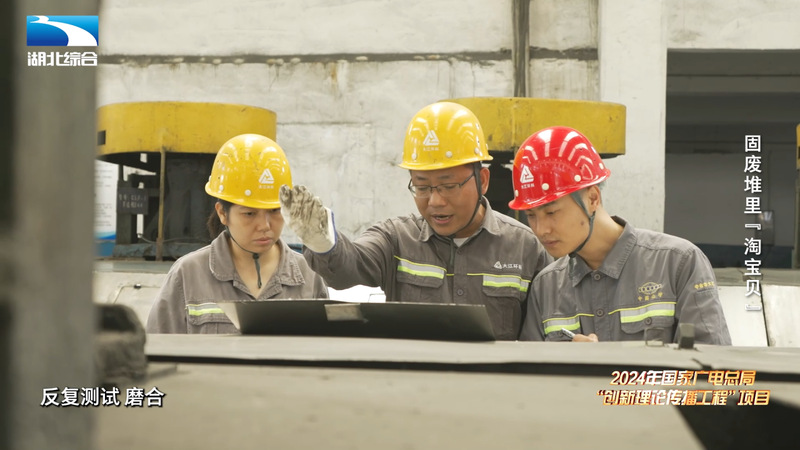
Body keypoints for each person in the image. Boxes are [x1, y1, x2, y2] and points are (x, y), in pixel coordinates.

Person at [279, 101, 553, 340]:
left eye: (448, 186)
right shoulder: (396, 240)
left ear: (482, 181)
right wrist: (323, 242)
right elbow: (348, 268)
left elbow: (543, 334)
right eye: (421, 187)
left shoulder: (525, 248)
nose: (434, 201)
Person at [511, 126, 731, 344]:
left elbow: (712, 364)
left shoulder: (678, 264)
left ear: (592, 199)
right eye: (531, 215)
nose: (541, 229)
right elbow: (528, 366)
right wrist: (566, 363)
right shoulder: (546, 287)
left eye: (551, 212)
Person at [146, 134, 329, 334]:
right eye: (249, 214)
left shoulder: (309, 275)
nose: (265, 225)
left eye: (275, 211)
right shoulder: (188, 275)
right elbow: (157, 347)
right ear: (222, 213)